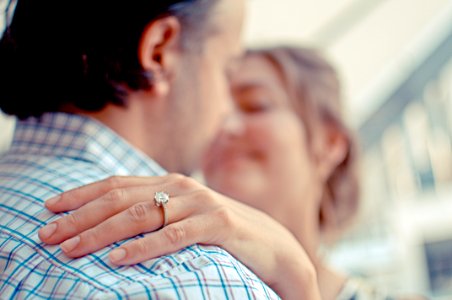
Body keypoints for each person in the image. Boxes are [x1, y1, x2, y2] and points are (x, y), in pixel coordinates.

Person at [0, 1, 321, 298]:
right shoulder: (200, 278)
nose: (226, 115)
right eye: (226, 70)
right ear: (158, 52)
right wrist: (300, 281)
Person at [35, 46, 377, 299]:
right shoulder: (180, 273)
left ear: (330, 142)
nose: (225, 125)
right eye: (222, 107)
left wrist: (298, 280)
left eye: (255, 104)